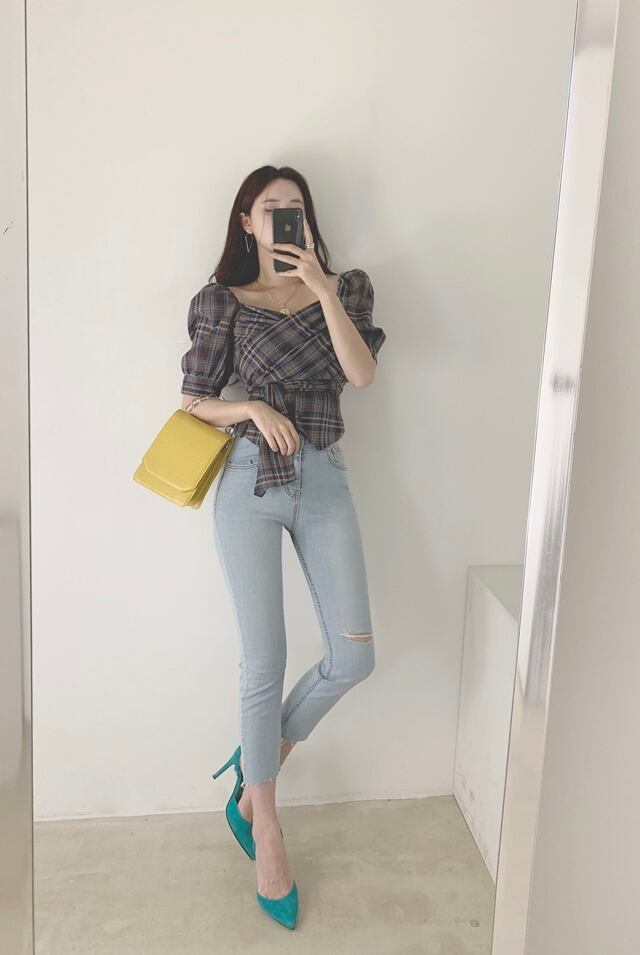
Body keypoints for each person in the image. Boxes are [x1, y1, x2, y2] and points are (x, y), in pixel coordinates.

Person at [179, 165, 387, 929]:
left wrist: (323, 290)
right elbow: (193, 402)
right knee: (262, 660)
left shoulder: (348, 288)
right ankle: (266, 824)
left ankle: (256, 762)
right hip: (249, 481)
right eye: (271, 208)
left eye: (295, 207)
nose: (285, 218)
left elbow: (360, 374)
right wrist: (252, 408)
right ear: (246, 221)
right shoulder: (222, 301)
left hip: (325, 479)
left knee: (354, 657)